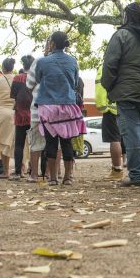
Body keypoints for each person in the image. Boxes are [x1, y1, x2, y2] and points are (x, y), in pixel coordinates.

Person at [102, 2, 140, 187]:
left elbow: (110, 65)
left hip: (127, 93)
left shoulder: (121, 35)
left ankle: (137, 175)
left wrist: (109, 87)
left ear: (127, 17)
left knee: (133, 133)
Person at [34, 32, 86, 185]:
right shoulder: (73, 61)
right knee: (66, 141)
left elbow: (38, 79)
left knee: (50, 142)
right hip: (67, 106)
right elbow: (76, 82)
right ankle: (68, 177)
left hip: (48, 106)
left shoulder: (43, 62)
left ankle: (52, 178)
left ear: (53, 44)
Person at [94, 66, 124, 180]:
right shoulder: (125, 63)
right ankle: (139, 169)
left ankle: (117, 170)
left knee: (114, 139)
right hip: (127, 106)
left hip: (111, 109)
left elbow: (100, 88)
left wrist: (102, 106)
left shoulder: (105, 67)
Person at [11, 56, 35, 179]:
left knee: (19, 144)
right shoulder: (36, 78)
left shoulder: (17, 78)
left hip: (20, 114)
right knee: (34, 144)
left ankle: (17, 172)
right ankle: (33, 171)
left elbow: (13, 95)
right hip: (34, 115)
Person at [25, 57, 47, 182]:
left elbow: (29, 83)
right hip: (59, 109)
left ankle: (34, 175)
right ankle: (51, 174)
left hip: (39, 108)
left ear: (51, 44)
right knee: (55, 144)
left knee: (35, 143)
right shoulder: (69, 61)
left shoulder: (39, 61)